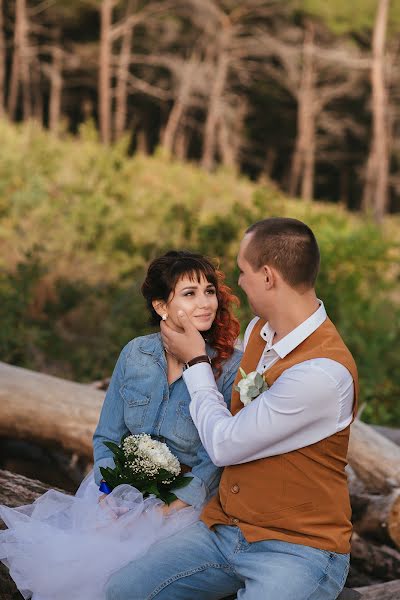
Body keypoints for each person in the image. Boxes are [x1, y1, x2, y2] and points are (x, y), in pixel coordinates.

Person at [104, 217, 358, 600]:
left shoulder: (322, 373)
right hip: (225, 529)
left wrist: (195, 363)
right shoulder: (260, 330)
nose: (237, 282)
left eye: (243, 271)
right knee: (124, 590)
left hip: (297, 548)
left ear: (268, 277)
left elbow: (224, 445)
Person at [0, 250, 242, 600]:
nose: (206, 303)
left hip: (186, 507)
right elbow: (107, 436)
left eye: (209, 291)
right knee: (73, 572)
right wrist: (108, 494)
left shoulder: (229, 366)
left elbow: (216, 457)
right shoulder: (135, 354)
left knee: (129, 577)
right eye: (190, 294)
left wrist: (167, 509)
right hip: (119, 496)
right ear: (161, 307)